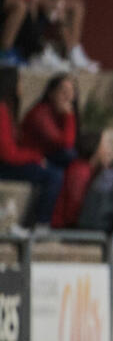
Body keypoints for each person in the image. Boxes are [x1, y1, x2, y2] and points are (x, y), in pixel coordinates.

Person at [0, 66, 63, 228]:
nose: (21, 86)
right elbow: (7, 154)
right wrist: (36, 157)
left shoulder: (8, 109)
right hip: (4, 166)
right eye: (19, 82)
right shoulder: (2, 110)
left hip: (8, 163)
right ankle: (42, 223)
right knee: (54, 175)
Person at [21, 72, 78, 167]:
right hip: (32, 156)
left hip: (48, 153)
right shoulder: (41, 113)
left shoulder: (60, 113)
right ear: (51, 94)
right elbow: (66, 143)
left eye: (71, 91)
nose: (68, 96)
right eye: (63, 91)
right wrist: (69, 116)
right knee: (69, 154)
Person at [53, 129, 102, 229]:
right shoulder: (80, 172)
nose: (110, 150)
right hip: (67, 228)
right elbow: (74, 208)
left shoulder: (89, 169)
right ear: (95, 148)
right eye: (106, 145)